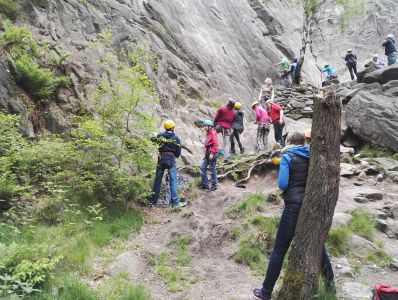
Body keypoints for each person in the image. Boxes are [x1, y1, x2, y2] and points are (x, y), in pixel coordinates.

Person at [252, 132, 334, 300]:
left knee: (279, 250)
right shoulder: (313, 154)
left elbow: (282, 184)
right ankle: (330, 289)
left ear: (288, 141)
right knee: (319, 248)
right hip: (310, 207)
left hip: (293, 207)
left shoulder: (288, 156)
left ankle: (265, 292)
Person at [150, 120, 187, 209]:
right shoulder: (176, 137)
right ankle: (175, 203)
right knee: (173, 181)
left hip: (161, 160)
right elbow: (178, 152)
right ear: (173, 127)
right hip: (171, 160)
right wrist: (174, 155)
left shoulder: (160, 136)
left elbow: (154, 141)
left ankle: (153, 203)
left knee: (157, 182)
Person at [199, 120, 219, 191]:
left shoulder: (213, 133)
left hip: (212, 154)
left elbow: (215, 144)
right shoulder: (208, 133)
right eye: (204, 126)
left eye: (205, 126)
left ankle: (214, 186)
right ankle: (205, 184)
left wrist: (212, 153)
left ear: (210, 126)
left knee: (212, 169)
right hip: (208, 154)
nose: (204, 127)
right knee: (202, 168)